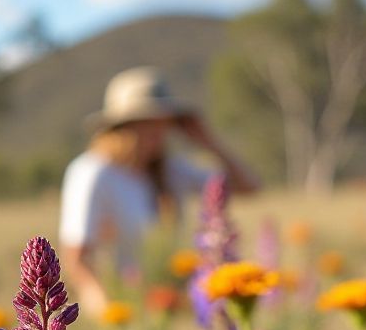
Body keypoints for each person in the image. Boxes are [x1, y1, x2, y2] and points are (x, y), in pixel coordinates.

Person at [59, 66, 258, 316]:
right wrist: (111, 314)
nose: (159, 130)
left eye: (165, 121)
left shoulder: (170, 169)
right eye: (148, 121)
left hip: (170, 305)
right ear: (122, 126)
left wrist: (208, 141)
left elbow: (249, 187)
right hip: (123, 308)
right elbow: (76, 259)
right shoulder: (92, 171)